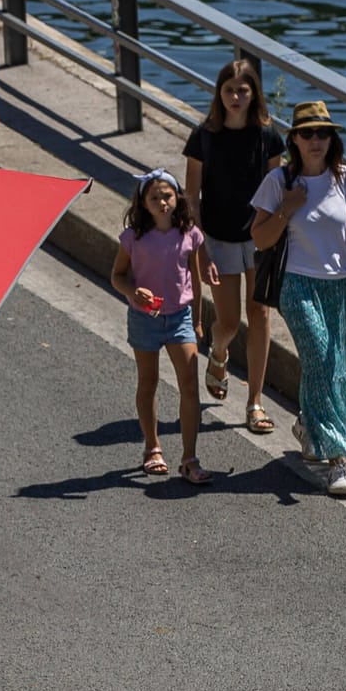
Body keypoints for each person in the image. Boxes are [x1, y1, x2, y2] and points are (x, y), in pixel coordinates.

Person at [249, 100, 346, 497]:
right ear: (293, 139)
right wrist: (286, 211)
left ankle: (309, 425)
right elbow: (258, 238)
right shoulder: (279, 182)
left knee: (337, 364)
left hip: (341, 285)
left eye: (323, 133)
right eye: (307, 133)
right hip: (297, 284)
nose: (315, 140)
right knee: (323, 356)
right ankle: (339, 459)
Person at [183, 58, 284, 434]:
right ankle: (220, 352)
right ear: (219, 94)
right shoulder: (204, 136)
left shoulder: (268, 135)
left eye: (243, 90)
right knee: (227, 322)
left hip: (259, 237)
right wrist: (201, 248)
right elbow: (191, 198)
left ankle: (255, 402)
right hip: (220, 237)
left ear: (254, 93)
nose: (236, 97)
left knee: (259, 313)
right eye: (229, 90)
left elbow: (277, 187)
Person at [111, 169, 215, 485]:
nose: (162, 202)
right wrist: (133, 291)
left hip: (180, 316)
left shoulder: (189, 234)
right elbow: (118, 276)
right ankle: (152, 447)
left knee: (189, 386)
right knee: (149, 381)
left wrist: (198, 319)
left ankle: (189, 458)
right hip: (145, 319)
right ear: (143, 203)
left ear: (177, 198)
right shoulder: (133, 238)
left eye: (167, 196)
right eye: (154, 198)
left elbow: (194, 279)